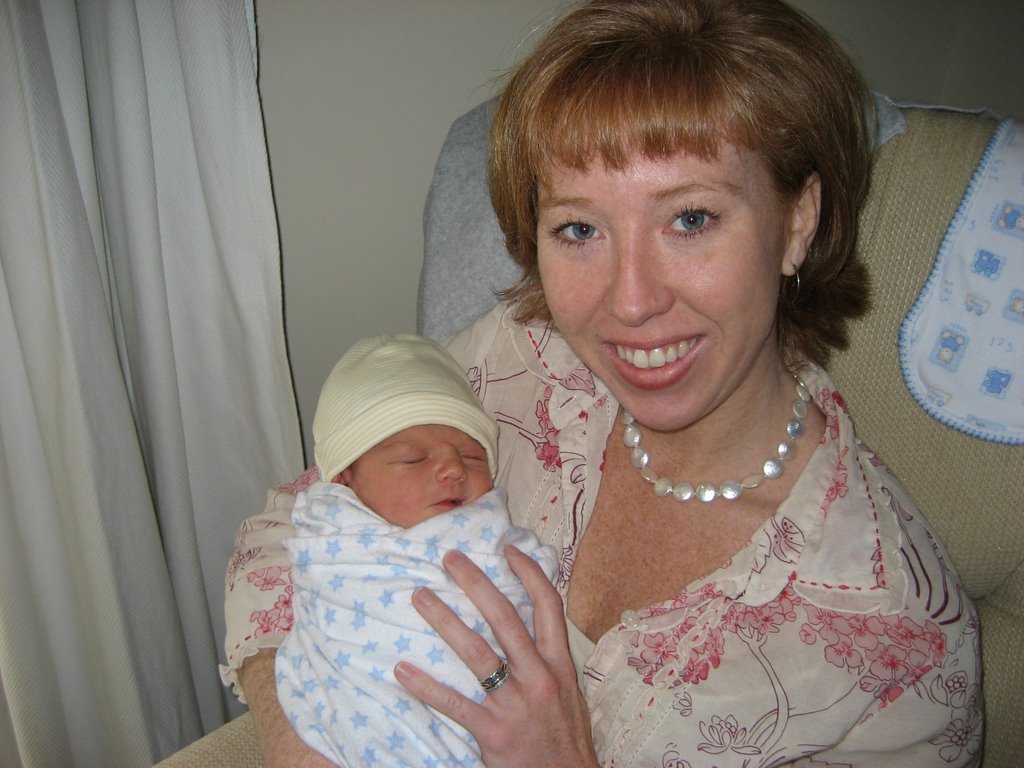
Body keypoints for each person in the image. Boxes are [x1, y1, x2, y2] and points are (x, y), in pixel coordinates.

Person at [222, 1, 983, 766]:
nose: (630, 302)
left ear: (797, 221)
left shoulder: (895, 640)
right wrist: (300, 745)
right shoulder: (521, 357)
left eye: (691, 219)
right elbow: (288, 525)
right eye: (580, 229)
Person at [270, 334, 558, 767]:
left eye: (471, 456)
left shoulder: (491, 535)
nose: (454, 469)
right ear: (346, 480)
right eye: (412, 459)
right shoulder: (332, 544)